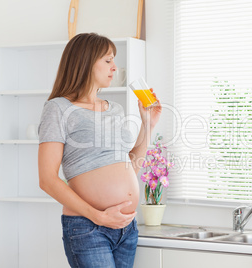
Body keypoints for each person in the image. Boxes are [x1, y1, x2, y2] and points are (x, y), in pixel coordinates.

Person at [38, 32, 161, 268]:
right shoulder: (58, 109)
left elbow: (129, 166)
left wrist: (148, 124)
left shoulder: (113, 108)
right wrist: (99, 217)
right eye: (107, 60)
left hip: (126, 229)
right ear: (84, 62)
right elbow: (47, 180)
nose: (115, 67)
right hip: (88, 227)